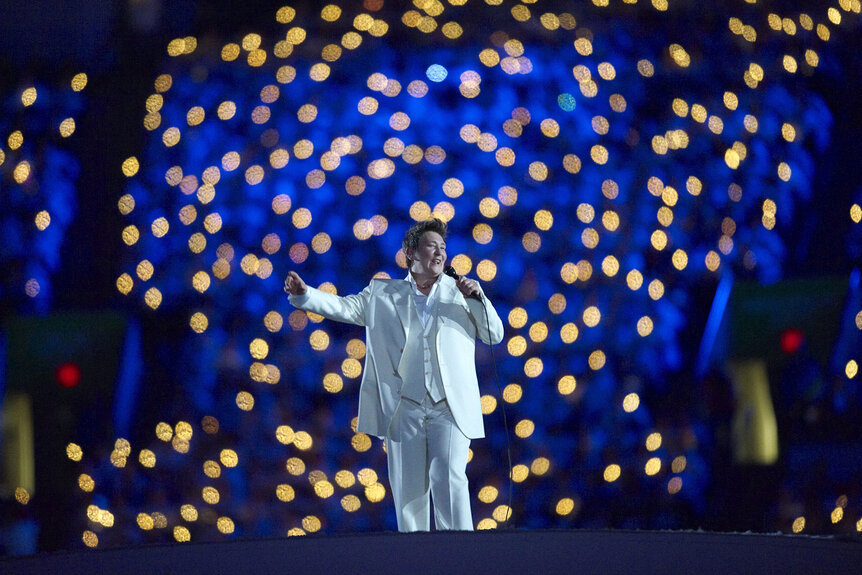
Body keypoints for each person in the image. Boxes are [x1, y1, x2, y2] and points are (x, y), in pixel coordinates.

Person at [284, 218, 504, 531]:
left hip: (449, 406)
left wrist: (478, 297)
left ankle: (461, 555)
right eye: (432, 246)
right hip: (405, 406)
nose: (440, 253)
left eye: (443, 247)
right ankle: (417, 561)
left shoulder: (461, 294)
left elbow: (494, 334)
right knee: (408, 491)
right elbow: (344, 307)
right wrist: (306, 295)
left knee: (449, 476)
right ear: (410, 253)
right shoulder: (382, 293)